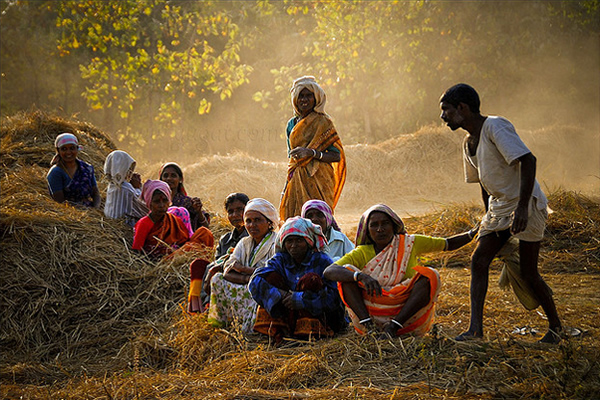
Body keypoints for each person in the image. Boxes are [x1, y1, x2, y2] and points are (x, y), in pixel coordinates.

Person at [440, 83, 562, 343]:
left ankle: (555, 327)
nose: (443, 117)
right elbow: (485, 184)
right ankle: (475, 330)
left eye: (446, 110)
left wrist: (521, 208)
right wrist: (488, 217)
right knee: (479, 260)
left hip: (525, 203)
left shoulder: (495, 126)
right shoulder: (468, 143)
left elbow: (528, 161)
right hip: (499, 209)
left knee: (529, 273)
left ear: (463, 108)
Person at [323, 204, 477, 337]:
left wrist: (474, 233)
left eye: (385, 224)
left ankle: (394, 327)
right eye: (374, 225)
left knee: (430, 275)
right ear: (367, 230)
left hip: (406, 314)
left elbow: (448, 244)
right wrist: (360, 276)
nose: (380, 229)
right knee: (347, 275)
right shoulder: (362, 252)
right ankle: (369, 327)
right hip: (372, 311)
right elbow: (329, 271)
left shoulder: (410, 243)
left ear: (394, 225)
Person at [249, 217, 346, 341]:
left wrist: (301, 299)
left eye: (299, 240)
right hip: (289, 312)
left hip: (321, 317)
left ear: (308, 242)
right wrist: (280, 295)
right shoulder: (281, 259)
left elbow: (334, 297)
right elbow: (255, 281)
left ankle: (309, 335)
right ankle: (278, 332)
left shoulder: (321, 260)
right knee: (268, 277)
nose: (294, 246)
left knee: (311, 280)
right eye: (289, 241)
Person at [279, 76, 346, 220]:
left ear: (316, 97)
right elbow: (291, 158)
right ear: (295, 99)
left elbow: (336, 156)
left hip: (320, 179)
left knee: (319, 218)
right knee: (294, 219)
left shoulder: (323, 122)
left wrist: (311, 153)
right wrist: (285, 188)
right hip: (296, 178)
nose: (304, 99)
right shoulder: (291, 124)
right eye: (301, 96)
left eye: (308, 95)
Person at [207, 198, 278, 333]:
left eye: (257, 220)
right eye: (248, 221)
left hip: (262, 288)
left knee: (260, 285)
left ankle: (253, 329)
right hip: (246, 284)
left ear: (269, 222)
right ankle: (226, 325)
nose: (252, 225)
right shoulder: (244, 242)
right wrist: (248, 278)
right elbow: (228, 270)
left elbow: (272, 274)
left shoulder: (276, 243)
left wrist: (243, 269)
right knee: (217, 278)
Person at [188, 192, 250, 313]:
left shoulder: (253, 235)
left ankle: (209, 304)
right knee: (199, 265)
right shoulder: (225, 240)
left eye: (240, 210)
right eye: (230, 212)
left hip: (241, 277)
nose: (235, 215)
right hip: (221, 276)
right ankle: (199, 307)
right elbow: (217, 262)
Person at [132, 180, 214, 259]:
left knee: (204, 233)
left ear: (169, 202)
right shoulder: (144, 223)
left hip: (180, 254)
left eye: (165, 200)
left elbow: (185, 240)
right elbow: (137, 251)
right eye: (157, 201)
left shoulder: (174, 219)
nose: (161, 205)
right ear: (149, 203)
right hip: (166, 261)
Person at [46, 133, 101, 208]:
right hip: (69, 214)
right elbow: (60, 202)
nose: (68, 152)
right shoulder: (56, 172)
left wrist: (96, 209)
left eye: (72, 148)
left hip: (89, 210)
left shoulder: (86, 168)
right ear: (58, 151)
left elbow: (96, 193)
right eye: (64, 149)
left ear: (77, 148)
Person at [159, 162, 210, 231]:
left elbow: (206, 229)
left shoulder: (188, 202)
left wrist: (199, 212)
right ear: (161, 179)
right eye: (165, 175)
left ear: (180, 179)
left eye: (173, 175)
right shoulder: (155, 201)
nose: (169, 178)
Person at [103, 150, 147, 225]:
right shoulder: (125, 188)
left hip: (111, 223)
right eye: (128, 169)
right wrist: (138, 187)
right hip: (126, 224)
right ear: (122, 168)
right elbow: (143, 207)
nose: (130, 172)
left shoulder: (111, 185)